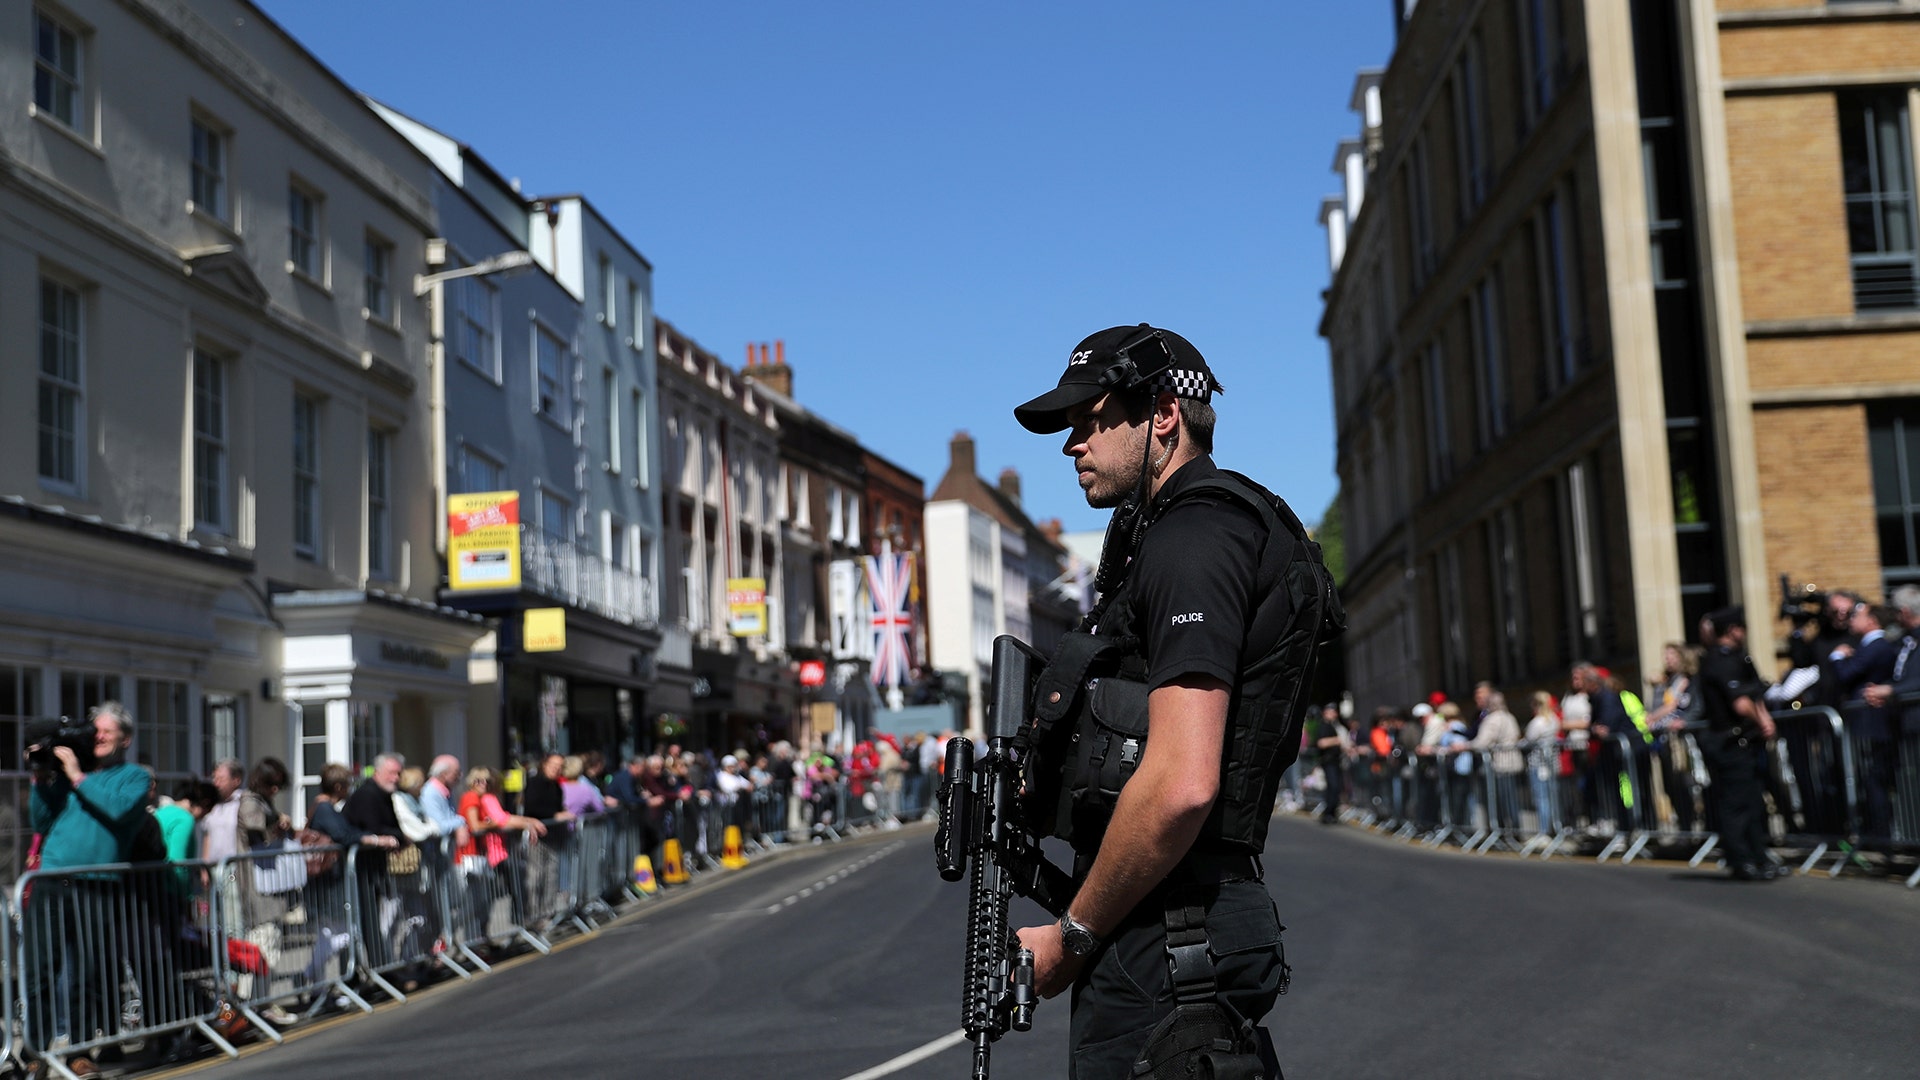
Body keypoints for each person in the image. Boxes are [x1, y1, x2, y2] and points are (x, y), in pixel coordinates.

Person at [1009, 324, 1337, 1078]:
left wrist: (1070, 938)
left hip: (1170, 941)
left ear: (1163, 414)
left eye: (1089, 420)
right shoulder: (1181, 531)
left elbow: (1184, 784)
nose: (1071, 444)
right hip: (1172, 932)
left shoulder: (1195, 537)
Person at [1695, 606, 1777, 881]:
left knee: (1753, 802)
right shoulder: (1719, 660)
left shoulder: (1739, 659)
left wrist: (1762, 717)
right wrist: (1762, 721)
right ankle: (1741, 859)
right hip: (1729, 741)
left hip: (1744, 741)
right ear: (1732, 630)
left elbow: (1754, 693)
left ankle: (1759, 857)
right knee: (1737, 804)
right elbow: (1741, 703)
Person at [1523, 692, 1561, 835]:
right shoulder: (1554, 719)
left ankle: (1544, 831)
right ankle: (1553, 828)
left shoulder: (1537, 722)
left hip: (1538, 765)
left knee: (1541, 799)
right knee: (1551, 797)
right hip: (1552, 764)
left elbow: (1528, 740)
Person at [199, 758, 245, 865]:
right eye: (214, 778)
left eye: (221, 779)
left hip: (235, 867)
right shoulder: (213, 806)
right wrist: (204, 866)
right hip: (214, 868)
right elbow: (207, 835)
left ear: (236, 780)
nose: (216, 783)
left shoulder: (244, 803)